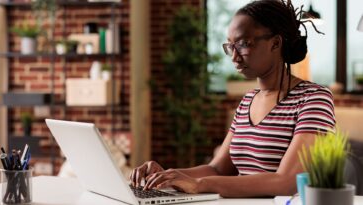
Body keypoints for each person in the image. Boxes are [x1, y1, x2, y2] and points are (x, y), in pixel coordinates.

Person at [130, 0, 335, 198]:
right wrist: (166, 176)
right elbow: (218, 168)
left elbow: (286, 182)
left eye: (244, 44)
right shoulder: (248, 100)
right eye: (230, 46)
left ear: (275, 43)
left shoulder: (313, 99)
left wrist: (200, 184)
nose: (234, 57)